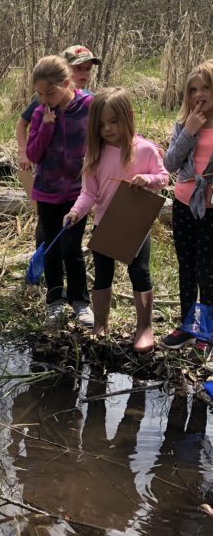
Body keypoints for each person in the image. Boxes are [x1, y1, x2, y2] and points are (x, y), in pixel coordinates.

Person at [64, 87, 168, 351]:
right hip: (104, 223)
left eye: (113, 121)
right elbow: (89, 193)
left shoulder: (144, 150)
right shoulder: (95, 154)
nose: (108, 129)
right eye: (101, 125)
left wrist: (147, 179)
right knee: (102, 273)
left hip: (135, 222)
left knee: (140, 271)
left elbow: (163, 178)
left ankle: (144, 327)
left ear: (128, 116)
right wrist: (76, 211)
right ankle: (101, 323)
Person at [26, 55, 93, 330]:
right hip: (47, 191)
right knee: (51, 247)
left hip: (78, 192)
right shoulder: (42, 113)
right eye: (39, 93)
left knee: (71, 247)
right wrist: (46, 127)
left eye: (49, 92)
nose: (44, 98)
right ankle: (54, 301)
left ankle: (80, 301)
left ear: (66, 83)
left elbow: (106, 138)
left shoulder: (89, 107)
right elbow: (32, 153)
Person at [160, 60, 213, 354]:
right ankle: (186, 325)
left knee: (208, 270)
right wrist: (189, 131)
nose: (199, 95)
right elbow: (169, 164)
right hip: (183, 203)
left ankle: (206, 329)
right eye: (194, 89)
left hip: (211, 208)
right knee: (187, 266)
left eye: (206, 87)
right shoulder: (184, 122)